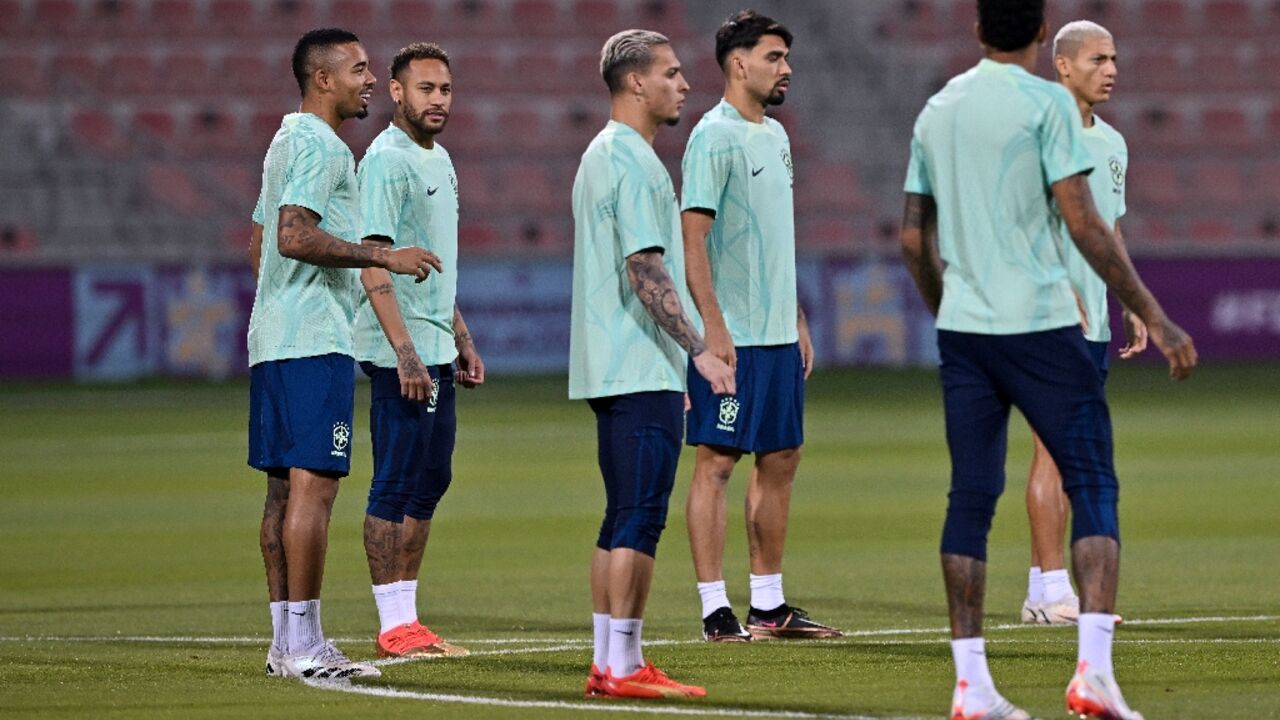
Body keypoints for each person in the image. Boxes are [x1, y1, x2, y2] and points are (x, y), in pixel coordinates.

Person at [899, 1, 1197, 718]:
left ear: (977, 31)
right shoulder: (1046, 105)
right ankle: (1092, 673)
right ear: (1040, 35)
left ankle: (970, 686)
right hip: (1041, 321)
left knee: (970, 497)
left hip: (966, 330)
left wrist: (947, 309)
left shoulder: (938, 109)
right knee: (1092, 479)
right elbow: (1083, 219)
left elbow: (913, 238)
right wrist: (1153, 313)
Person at [248, 27, 441, 681]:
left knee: (282, 494)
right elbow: (292, 234)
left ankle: (285, 643)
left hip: (273, 334)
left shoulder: (284, 141)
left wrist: (282, 299)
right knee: (316, 489)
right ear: (323, 79)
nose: (368, 80)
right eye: (358, 69)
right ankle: (306, 646)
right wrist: (382, 254)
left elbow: (258, 244)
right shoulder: (322, 146)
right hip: (313, 341)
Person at [570, 29, 735, 700]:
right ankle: (622, 665)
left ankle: (611, 660)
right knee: (639, 515)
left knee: (621, 515)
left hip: (618, 365)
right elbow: (645, 267)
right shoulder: (632, 160)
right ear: (636, 82)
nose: (684, 84)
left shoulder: (600, 155)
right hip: (637, 365)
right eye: (671, 73)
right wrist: (699, 351)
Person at [680, 10, 839, 643]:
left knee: (781, 457)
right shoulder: (712, 137)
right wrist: (712, 330)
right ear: (738, 63)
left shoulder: (774, 136)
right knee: (716, 463)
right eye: (774, 57)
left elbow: (776, 239)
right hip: (735, 337)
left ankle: (768, 607)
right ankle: (715, 607)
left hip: (776, 334)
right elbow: (693, 242)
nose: (786, 69)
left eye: (787, 58)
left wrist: (796, 314)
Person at [351, 42, 482, 660]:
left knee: (432, 479)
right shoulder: (386, 160)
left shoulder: (441, 159)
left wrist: (458, 335)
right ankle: (392, 624)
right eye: (425, 88)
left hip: (433, 344)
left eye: (446, 90)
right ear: (397, 93)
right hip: (395, 350)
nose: (438, 100)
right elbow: (374, 263)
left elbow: (435, 260)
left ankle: (408, 619)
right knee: (395, 482)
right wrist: (402, 350)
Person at [1022, 19, 1143, 627]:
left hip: (1093, 320)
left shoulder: (1114, 143)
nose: (1112, 69)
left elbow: (1111, 230)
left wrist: (1131, 301)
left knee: (1075, 456)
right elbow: (1025, 227)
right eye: (1098, 59)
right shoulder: (1039, 134)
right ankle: (1045, 591)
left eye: (1114, 58)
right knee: (1053, 453)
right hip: (1048, 321)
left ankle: (1048, 586)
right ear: (1063, 66)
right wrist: (1055, 291)